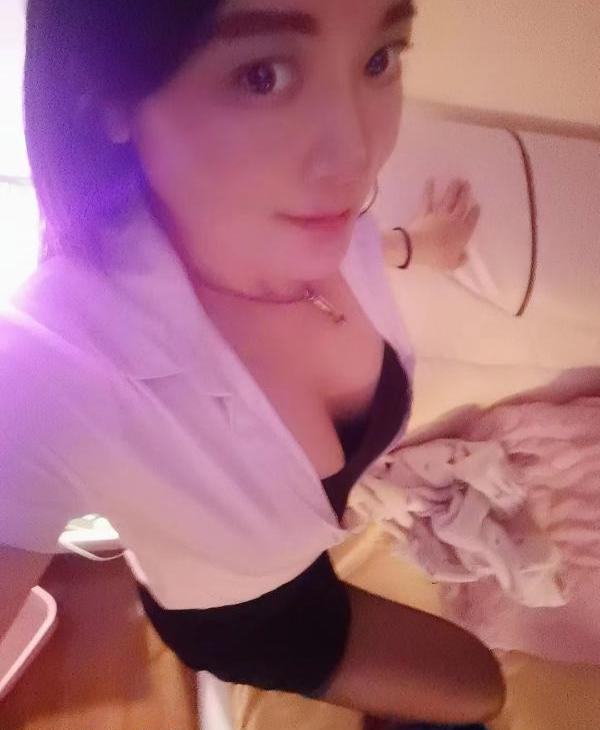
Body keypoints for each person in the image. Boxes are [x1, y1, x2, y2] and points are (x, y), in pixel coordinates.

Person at [0, 1, 503, 727]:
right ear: (104, 96)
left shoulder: (320, 226)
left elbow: (365, 248)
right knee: (479, 688)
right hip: (243, 615)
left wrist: (421, 246)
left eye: (378, 60)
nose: (356, 157)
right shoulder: (51, 360)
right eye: (261, 76)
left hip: (309, 546)